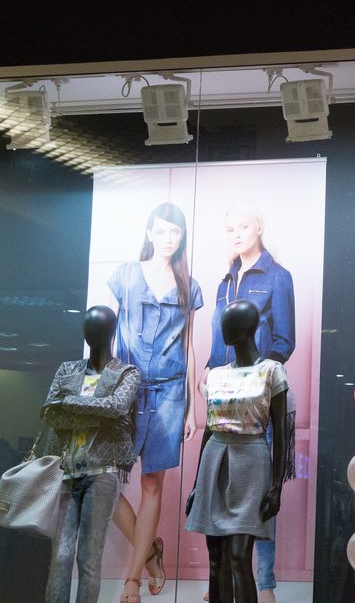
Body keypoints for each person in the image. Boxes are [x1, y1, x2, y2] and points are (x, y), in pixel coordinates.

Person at [106, 203, 204, 603]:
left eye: (174, 233)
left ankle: (132, 579)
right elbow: (107, 334)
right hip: (126, 391)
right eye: (161, 231)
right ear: (149, 233)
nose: (167, 239)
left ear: (182, 238)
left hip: (169, 395)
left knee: (151, 485)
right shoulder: (126, 275)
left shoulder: (188, 285)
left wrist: (192, 408)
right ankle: (150, 554)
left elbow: (188, 346)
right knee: (105, 480)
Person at [203, 201, 295, 603]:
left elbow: (285, 339)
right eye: (230, 229)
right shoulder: (225, 281)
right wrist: (211, 372)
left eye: (243, 226)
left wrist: (256, 378)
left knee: (258, 494)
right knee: (224, 493)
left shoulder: (277, 276)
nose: (236, 234)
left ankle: (264, 582)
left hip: (258, 398)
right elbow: (217, 340)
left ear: (259, 227)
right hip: (222, 396)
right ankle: (226, 584)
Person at [35, 306, 140, 603]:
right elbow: (50, 413)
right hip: (66, 469)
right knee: (60, 556)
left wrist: (69, 402)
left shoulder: (127, 373)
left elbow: (117, 407)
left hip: (102, 472)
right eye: (89, 325)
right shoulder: (67, 369)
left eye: (100, 326)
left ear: (112, 331)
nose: (93, 331)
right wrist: (100, 414)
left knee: (89, 559)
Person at [187, 300, 289, 603]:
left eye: (230, 324)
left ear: (248, 329)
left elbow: (281, 434)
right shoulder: (217, 375)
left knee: (238, 556)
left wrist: (276, 487)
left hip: (252, 461)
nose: (224, 330)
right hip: (214, 460)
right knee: (216, 557)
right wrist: (196, 485)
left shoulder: (271, 371)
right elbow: (210, 427)